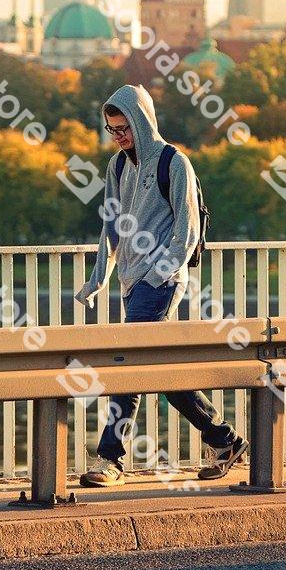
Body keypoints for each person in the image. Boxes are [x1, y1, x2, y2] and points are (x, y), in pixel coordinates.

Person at [73, 84, 247, 487]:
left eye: (124, 127)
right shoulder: (117, 167)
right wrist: (98, 278)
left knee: (128, 364)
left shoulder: (174, 162)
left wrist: (158, 274)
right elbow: (111, 227)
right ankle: (222, 438)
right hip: (131, 282)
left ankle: (110, 459)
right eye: (112, 129)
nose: (119, 135)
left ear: (142, 120)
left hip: (161, 280)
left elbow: (186, 231)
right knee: (158, 370)